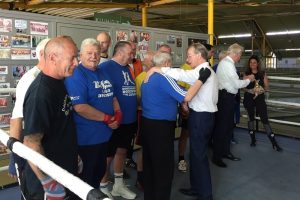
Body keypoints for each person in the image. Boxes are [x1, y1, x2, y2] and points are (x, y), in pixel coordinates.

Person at [146, 43, 218, 200]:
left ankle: (205, 194)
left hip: (202, 117)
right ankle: (196, 188)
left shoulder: (203, 71)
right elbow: (184, 77)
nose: (187, 59)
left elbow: (182, 76)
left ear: (199, 55)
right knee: (195, 154)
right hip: (200, 116)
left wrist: (157, 69)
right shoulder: (200, 70)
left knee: (199, 156)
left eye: (189, 55)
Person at [22, 36, 80, 199]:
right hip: (48, 183)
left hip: (64, 170)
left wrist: (73, 155)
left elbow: (60, 123)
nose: (76, 63)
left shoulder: (59, 81)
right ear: (53, 57)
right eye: (72, 58)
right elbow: (31, 143)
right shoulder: (41, 93)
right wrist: (48, 183)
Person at [64, 38, 121, 189]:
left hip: (104, 136)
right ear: (80, 55)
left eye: (97, 53)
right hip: (86, 139)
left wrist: (118, 113)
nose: (94, 56)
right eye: (89, 53)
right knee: (85, 181)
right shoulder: (76, 74)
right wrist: (107, 118)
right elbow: (80, 107)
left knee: (98, 174)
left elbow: (113, 96)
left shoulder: (103, 72)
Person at [100, 41, 137, 200]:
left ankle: (118, 185)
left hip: (130, 119)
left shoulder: (128, 68)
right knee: (108, 155)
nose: (133, 55)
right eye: (130, 52)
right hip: (114, 120)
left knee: (122, 151)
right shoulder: (105, 67)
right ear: (120, 52)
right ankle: (102, 186)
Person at [9, 38, 50, 179]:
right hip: (32, 146)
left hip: (47, 145)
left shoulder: (53, 78)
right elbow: (17, 118)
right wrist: (15, 158)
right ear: (42, 54)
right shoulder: (30, 80)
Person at [212, 43, 255, 168]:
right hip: (225, 98)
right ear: (235, 53)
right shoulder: (227, 64)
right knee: (222, 128)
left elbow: (232, 81)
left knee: (228, 127)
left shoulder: (226, 63)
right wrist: (249, 80)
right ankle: (217, 156)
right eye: (240, 54)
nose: (240, 57)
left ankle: (225, 152)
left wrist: (244, 79)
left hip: (227, 98)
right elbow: (236, 84)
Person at [243, 55, 282, 151]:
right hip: (249, 98)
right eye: (251, 62)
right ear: (249, 64)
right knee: (250, 118)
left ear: (258, 64)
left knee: (264, 119)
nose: (252, 64)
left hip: (260, 98)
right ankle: (253, 139)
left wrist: (261, 89)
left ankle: (274, 142)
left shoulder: (262, 73)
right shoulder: (246, 73)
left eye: (254, 62)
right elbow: (242, 87)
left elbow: (267, 87)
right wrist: (250, 90)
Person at [134, 50, 155, 190]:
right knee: (144, 147)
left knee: (152, 147)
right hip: (143, 116)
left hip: (154, 118)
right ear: (145, 62)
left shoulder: (158, 75)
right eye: (152, 60)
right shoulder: (141, 77)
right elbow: (137, 100)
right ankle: (141, 178)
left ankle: (149, 174)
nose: (154, 62)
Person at [125, 41, 143, 170]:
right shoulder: (121, 65)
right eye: (131, 50)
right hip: (126, 104)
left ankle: (129, 158)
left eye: (134, 50)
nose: (133, 52)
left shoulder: (138, 63)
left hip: (138, 103)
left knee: (133, 134)